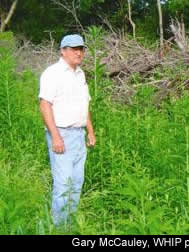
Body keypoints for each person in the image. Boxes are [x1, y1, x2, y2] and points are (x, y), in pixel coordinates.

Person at [38, 34, 96, 226]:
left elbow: (84, 105)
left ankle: (69, 225)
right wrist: (55, 137)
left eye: (81, 48)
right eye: (73, 48)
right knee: (63, 184)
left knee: (76, 183)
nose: (79, 52)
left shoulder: (80, 74)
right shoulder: (52, 73)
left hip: (79, 135)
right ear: (63, 51)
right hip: (61, 134)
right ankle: (59, 228)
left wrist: (90, 131)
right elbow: (45, 104)